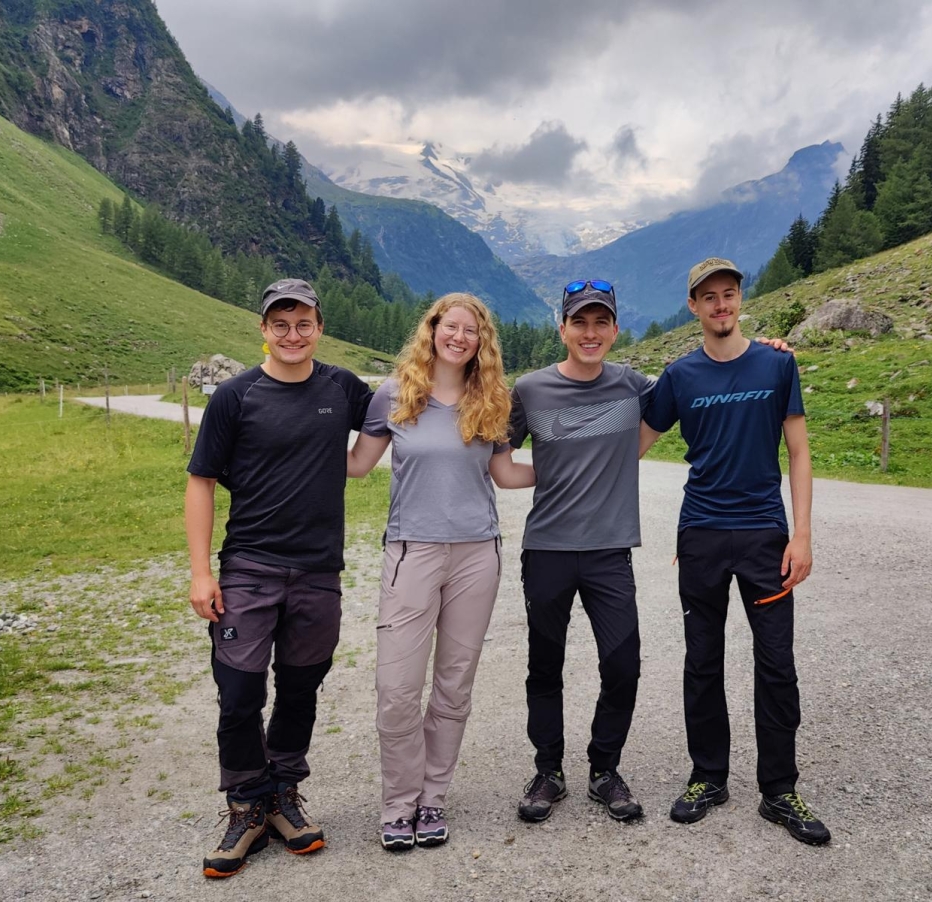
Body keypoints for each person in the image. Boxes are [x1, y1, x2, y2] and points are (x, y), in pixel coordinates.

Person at [185, 278, 373, 878]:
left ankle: (283, 795)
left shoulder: (343, 388)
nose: (293, 335)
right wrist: (200, 571)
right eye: (280, 324)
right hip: (250, 567)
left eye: (304, 323)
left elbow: (411, 411)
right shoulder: (235, 397)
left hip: (319, 571)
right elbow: (201, 482)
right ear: (262, 329)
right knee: (238, 692)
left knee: (300, 689)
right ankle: (245, 806)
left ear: (320, 326)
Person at [640, 257, 829, 845]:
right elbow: (633, 446)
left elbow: (798, 451)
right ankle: (709, 777)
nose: (721, 305)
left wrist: (802, 534)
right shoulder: (679, 376)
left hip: (765, 537)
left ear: (740, 299)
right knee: (703, 660)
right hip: (699, 535)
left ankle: (779, 790)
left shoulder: (776, 364)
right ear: (693, 307)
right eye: (709, 298)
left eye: (730, 294)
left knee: (776, 664)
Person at [347, 293, 535, 851]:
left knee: (453, 685)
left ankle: (432, 800)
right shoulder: (395, 393)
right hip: (412, 553)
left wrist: (575, 461)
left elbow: (504, 474)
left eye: (470, 331)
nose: (459, 337)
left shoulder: (491, 399)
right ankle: (398, 804)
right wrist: (283, 446)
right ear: (431, 330)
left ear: (482, 342)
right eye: (449, 326)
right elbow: (357, 465)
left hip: (478, 555)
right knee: (398, 688)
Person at [509, 279, 655, 823]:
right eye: (580, 322)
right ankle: (548, 771)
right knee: (545, 665)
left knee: (623, 664)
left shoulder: (634, 385)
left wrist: (769, 350)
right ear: (563, 328)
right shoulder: (530, 389)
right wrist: (551, 473)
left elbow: (698, 381)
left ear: (615, 329)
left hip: (608, 552)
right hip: (547, 548)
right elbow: (494, 452)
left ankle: (604, 769)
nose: (590, 333)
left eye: (601, 323)